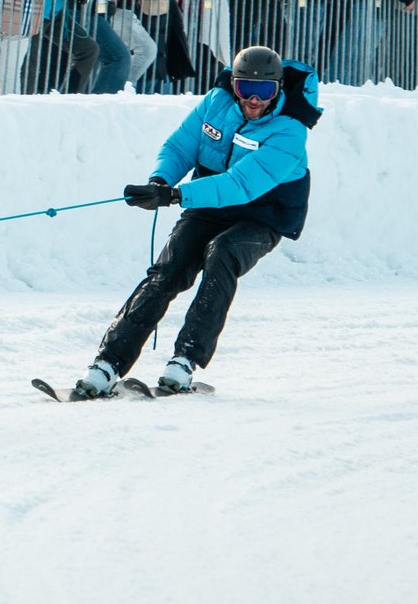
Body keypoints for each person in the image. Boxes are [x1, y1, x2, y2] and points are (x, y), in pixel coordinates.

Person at [67, 45, 318, 398]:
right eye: (246, 89)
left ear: (277, 89)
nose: (254, 100)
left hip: (264, 214)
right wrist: (160, 182)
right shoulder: (216, 103)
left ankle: (185, 360)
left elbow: (241, 185)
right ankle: (107, 364)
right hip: (208, 204)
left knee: (223, 252)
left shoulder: (290, 131)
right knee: (167, 272)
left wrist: (176, 196)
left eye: (264, 92)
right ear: (234, 84)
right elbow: (181, 147)